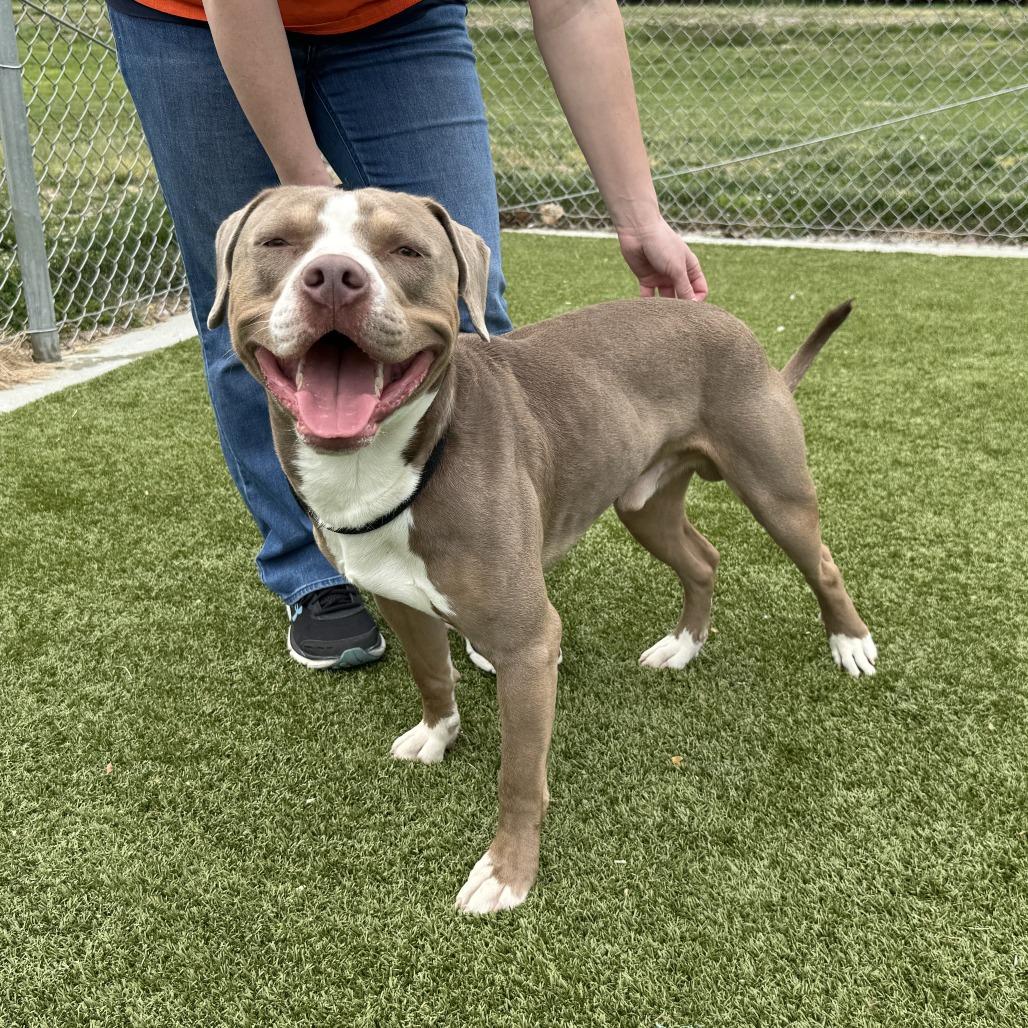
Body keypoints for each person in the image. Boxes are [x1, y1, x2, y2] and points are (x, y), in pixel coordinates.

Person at [107, 0, 709, 671]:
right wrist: (322, 217)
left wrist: (640, 219)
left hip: (399, 18)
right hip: (193, 23)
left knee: (465, 316)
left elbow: (575, 9)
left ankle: (482, 567)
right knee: (265, 320)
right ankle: (316, 571)